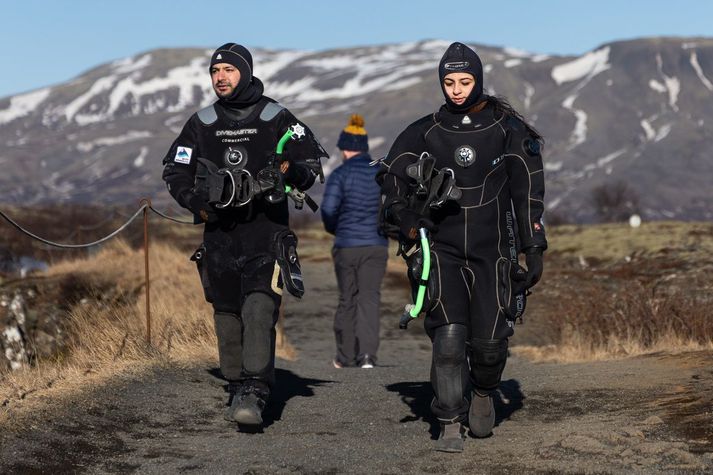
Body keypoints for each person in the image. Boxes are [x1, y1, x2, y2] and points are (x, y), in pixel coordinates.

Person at [377, 42, 546, 452]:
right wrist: (405, 217)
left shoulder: (508, 129)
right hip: (442, 250)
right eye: (449, 82)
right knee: (449, 339)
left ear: (479, 80)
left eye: (465, 81)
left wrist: (533, 247)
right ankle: (449, 419)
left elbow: (528, 192)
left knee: (489, 345)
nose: (456, 89)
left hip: (495, 252)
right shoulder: (424, 130)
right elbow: (390, 179)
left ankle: (484, 391)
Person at [161, 43, 327, 428]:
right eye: (215, 71)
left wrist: (288, 174)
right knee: (226, 314)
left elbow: (309, 165)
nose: (220, 77)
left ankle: (255, 388)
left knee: (259, 306)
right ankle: (236, 382)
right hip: (218, 234)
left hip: (266, 232)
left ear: (246, 73)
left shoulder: (276, 117)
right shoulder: (201, 123)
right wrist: (198, 204)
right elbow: (175, 171)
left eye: (229, 70)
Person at [321, 115, 388, 369]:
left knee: (347, 299)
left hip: (346, 246)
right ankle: (368, 357)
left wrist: (335, 230)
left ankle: (345, 357)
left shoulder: (339, 175)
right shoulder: (380, 173)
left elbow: (328, 210)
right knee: (369, 299)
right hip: (376, 245)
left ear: (345, 148)